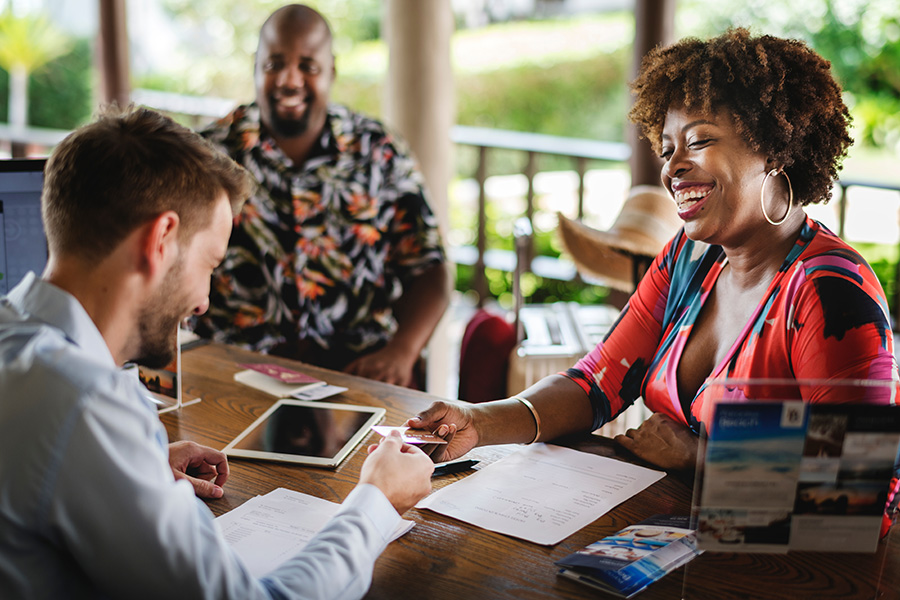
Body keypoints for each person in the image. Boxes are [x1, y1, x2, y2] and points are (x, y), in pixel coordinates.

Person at [408, 29, 899, 473]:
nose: (673, 168)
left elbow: (867, 479)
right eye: (667, 149)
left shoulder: (831, 291)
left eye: (699, 140)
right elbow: (596, 383)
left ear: (775, 148)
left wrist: (702, 457)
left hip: (787, 571)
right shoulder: (688, 259)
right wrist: (478, 422)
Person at [0, 106, 434, 599]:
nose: (205, 301)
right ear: (160, 240)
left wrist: (130, 467)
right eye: (210, 263)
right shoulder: (84, 405)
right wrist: (375, 502)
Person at [193, 4, 450, 388]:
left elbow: (431, 270)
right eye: (274, 64)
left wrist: (402, 351)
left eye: (308, 66)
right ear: (255, 66)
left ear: (332, 69)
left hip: (356, 373)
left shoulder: (378, 151)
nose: (289, 80)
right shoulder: (208, 157)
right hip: (236, 375)